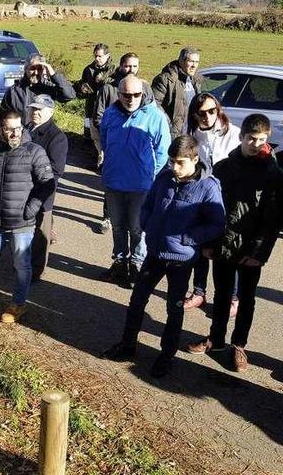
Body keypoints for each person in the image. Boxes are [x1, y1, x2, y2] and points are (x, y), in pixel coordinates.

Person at [104, 135, 225, 378]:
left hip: (181, 260)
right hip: (155, 253)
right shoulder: (164, 177)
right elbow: (149, 203)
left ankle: (166, 355)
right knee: (137, 300)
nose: (174, 167)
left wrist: (188, 239)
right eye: (171, 162)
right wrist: (146, 221)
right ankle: (127, 346)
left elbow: (216, 224)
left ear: (194, 159)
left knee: (174, 308)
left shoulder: (208, 187)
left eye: (180, 162)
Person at [187, 114, 282, 373]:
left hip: (251, 249)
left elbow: (271, 220)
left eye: (261, 140)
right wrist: (207, 243)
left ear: (268, 139)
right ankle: (216, 339)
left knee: (247, 299)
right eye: (251, 138)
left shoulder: (272, 173)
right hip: (223, 245)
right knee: (221, 294)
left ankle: (239, 344)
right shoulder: (224, 168)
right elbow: (211, 208)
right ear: (241, 137)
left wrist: (259, 253)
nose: (255, 144)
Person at [0, 110, 55, 323]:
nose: (13, 133)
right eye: (8, 129)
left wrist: (31, 208)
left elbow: (47, 183)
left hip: (21, 223)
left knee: (22, 266)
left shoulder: (35, 152)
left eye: (17, 128)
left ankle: (18, 304)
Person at [100, 75, 171, 288]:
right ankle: (120, 262)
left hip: (141, 186)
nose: (131, 99)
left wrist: (150, 174)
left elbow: (163, 151)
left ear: (143, 93)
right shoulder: (110, 113)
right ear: (119, 94)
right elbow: (104, 140)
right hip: (113, 182)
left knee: (137, 227)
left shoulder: (155, 116)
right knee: (118, 226)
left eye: (136, 94)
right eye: (126, 95)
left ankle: (136, 264)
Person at [183, 93, 242, 314]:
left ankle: (233, 297)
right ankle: (199, 292)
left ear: (218, 110)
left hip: (227, 202)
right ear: (194, 115)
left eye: (211, 111)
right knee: (199, 248)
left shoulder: (233, 134)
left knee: (226, 252)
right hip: (200, 200)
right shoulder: (192, 137)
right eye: (201, 113)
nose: (207, 116)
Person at [94, 53, 149, 233]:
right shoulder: (109, 87)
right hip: (115, 145)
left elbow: (151, 113)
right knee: (112, 185)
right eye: (127, 66)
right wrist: (108, 140)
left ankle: (133, 223)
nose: (131, 69)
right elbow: (99, 115)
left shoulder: (144, 88)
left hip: (136, 147)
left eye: (134, 66)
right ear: (120, 66)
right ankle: (107, 218)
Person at [26, 95, 69, 281]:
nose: (35, 112)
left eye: (40, 110)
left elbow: (56, 170)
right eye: (33, 108)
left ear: (50, 112)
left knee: (40, 234)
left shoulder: (57, 137)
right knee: (26, 230)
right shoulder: (26, 129)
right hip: (22, 189)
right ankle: (24, 263)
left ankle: (36, 271)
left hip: (42, 193)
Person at [0, 54, 76, 127]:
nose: (36, 73)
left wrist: (54, 75)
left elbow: (69, 96)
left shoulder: (48, 88)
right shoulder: (14, 91)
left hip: (43, 135)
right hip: (21, 136)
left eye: (39, 69)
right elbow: (3, 116)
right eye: (32, 68)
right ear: (26, 69)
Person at [152, 47, 203, 135]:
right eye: (191, 61)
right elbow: (153, 104)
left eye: (196, 62)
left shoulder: (196, 80)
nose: (194, 65)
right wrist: (168, 124)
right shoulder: (166, 79)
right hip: (170, 134)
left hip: (191, 133)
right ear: (181, 61)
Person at [78, 43, 113, 169]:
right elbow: (82, 86)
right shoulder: (88, 70)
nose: (97, 59)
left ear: (107, 55)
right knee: (95, 137)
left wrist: (105, 80)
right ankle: (100, 159)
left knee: (109, 137)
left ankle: (107, 162)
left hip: (109, 109)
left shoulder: (114, 70)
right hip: (92, 108)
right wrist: (82, 89)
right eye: (95, 56)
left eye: (100, 56)